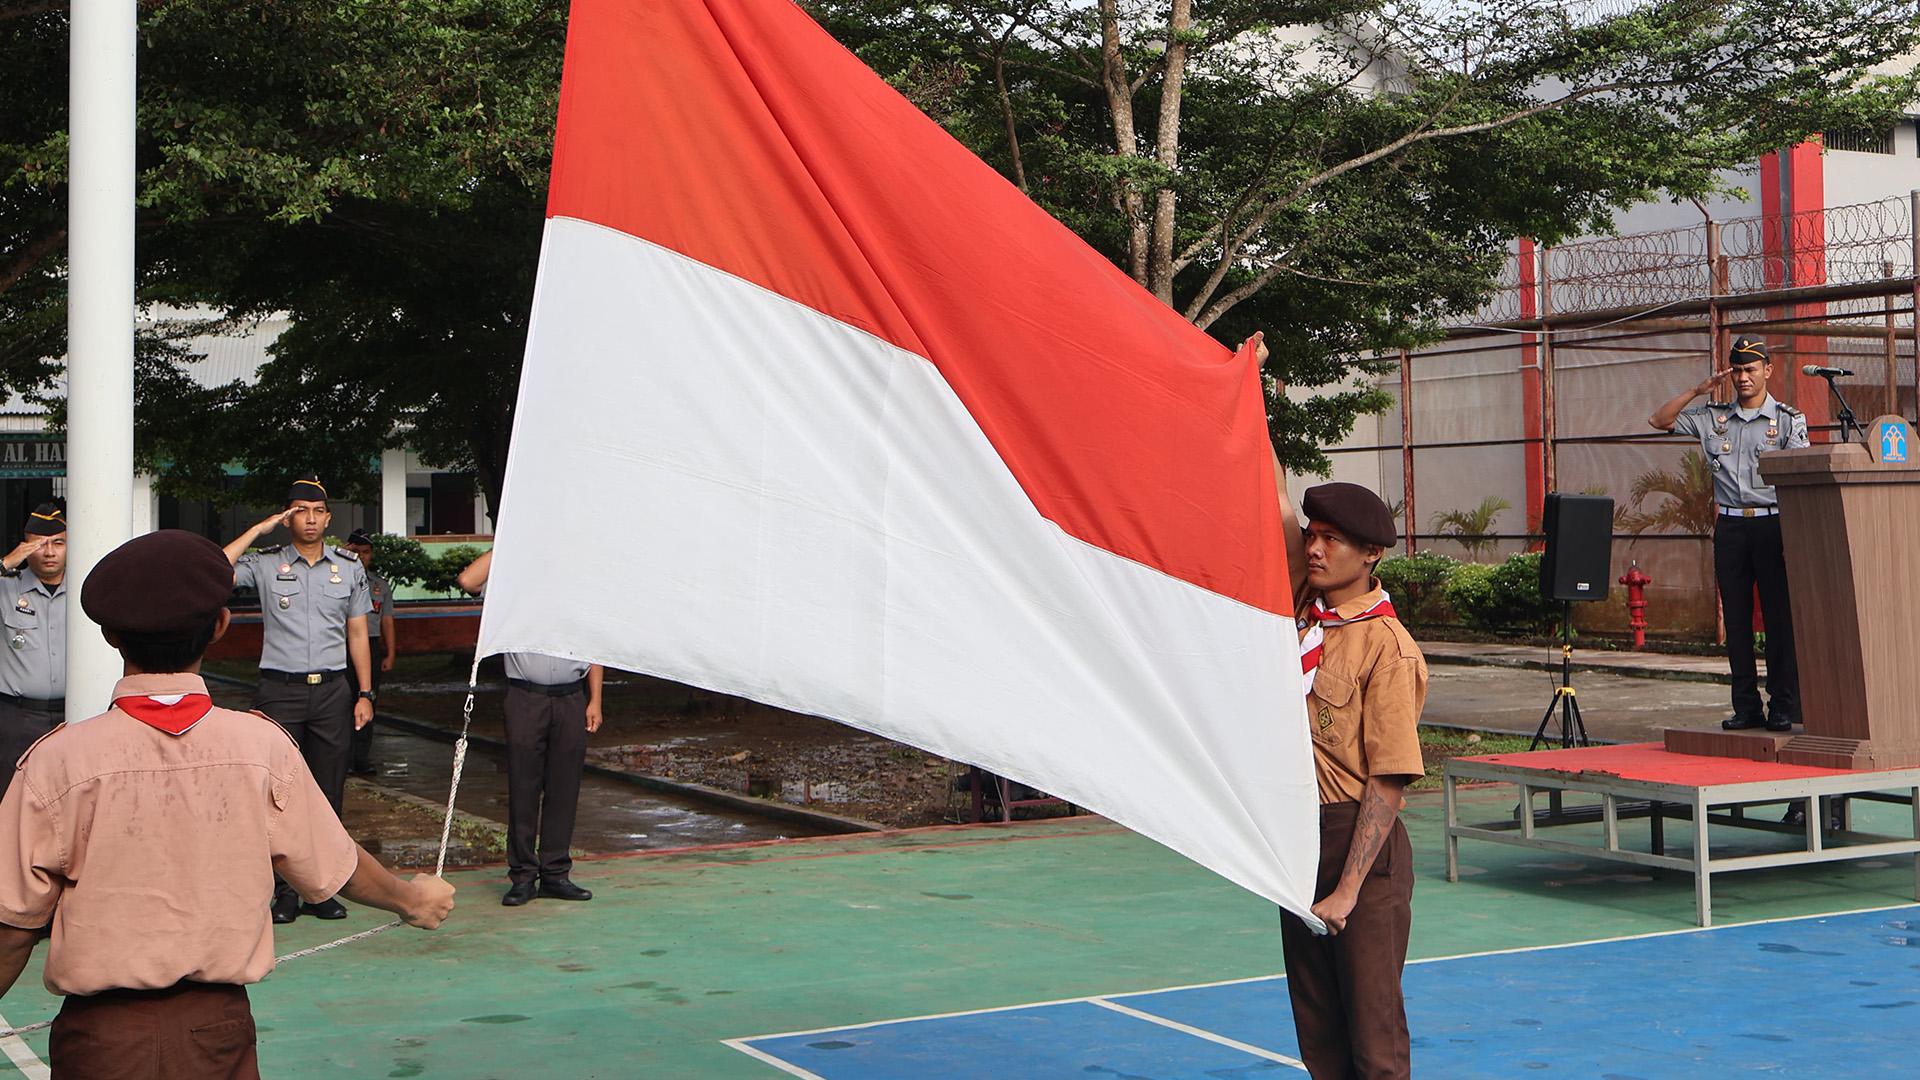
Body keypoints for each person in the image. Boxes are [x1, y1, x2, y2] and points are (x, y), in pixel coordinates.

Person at [0, 529, 454, 1079]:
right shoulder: (261, 747)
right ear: (220, 625)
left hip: (102, 1041)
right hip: (217, 1033)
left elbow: (13, 927)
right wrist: (411, 900)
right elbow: (334, 865)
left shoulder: (57, 761)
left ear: (111, 635)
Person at [224, 477, 375, 923]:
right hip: (280, 691)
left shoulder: (348, 567)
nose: (309, 520)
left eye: (317, 512)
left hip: (332, 691)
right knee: (280, 795)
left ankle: (321, 890)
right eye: (299, 511)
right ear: (288, 516)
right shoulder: (267, 564)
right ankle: (285, 894)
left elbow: (357, 635)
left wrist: (364, 692)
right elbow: (215, 568)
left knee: (328, 795)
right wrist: (258, 529)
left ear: (328, 518)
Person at [1649, 336, 1808, 733]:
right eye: (1737, 370)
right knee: (1736, 621)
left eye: (1751, 369)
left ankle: (1783, 706)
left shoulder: (1788, 420)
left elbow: (1802, 473)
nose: (1743, 378)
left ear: (1767, 371)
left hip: (1773, 524)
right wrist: (1697, 391)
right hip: (1732, 527)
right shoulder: (1713, 416)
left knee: (1778, 619)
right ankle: (1746, 707)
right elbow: (1659, 420)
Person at [456, 549, 602, 906]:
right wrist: (509, 538)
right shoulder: (513, 580)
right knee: (523, 786)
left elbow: (596, 644)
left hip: (570, 697)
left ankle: (555, 873)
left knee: (564, 787)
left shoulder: (583, 585)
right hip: (526, 697)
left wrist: (594, 699)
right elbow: (467, 580)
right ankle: (522, 876)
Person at [0, 503, 68, 798]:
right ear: (25, 547)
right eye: (39, 544)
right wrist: (6, 562)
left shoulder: (86, 587)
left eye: (58, 543)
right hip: (18, 719)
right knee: (12, 800)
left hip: (75, 715)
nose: (50, 552)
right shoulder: (7, 587)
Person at [343, 529, 397, 777]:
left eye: (365, 552)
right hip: (341, 646)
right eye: (356, 551)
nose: (361, 557)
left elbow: (387, 621)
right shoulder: (337, 580)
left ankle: (361, 758)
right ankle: (341, 758)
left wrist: (390, 653)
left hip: (371, 646)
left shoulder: (380, 586)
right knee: (341, 703)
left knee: (367, 701)